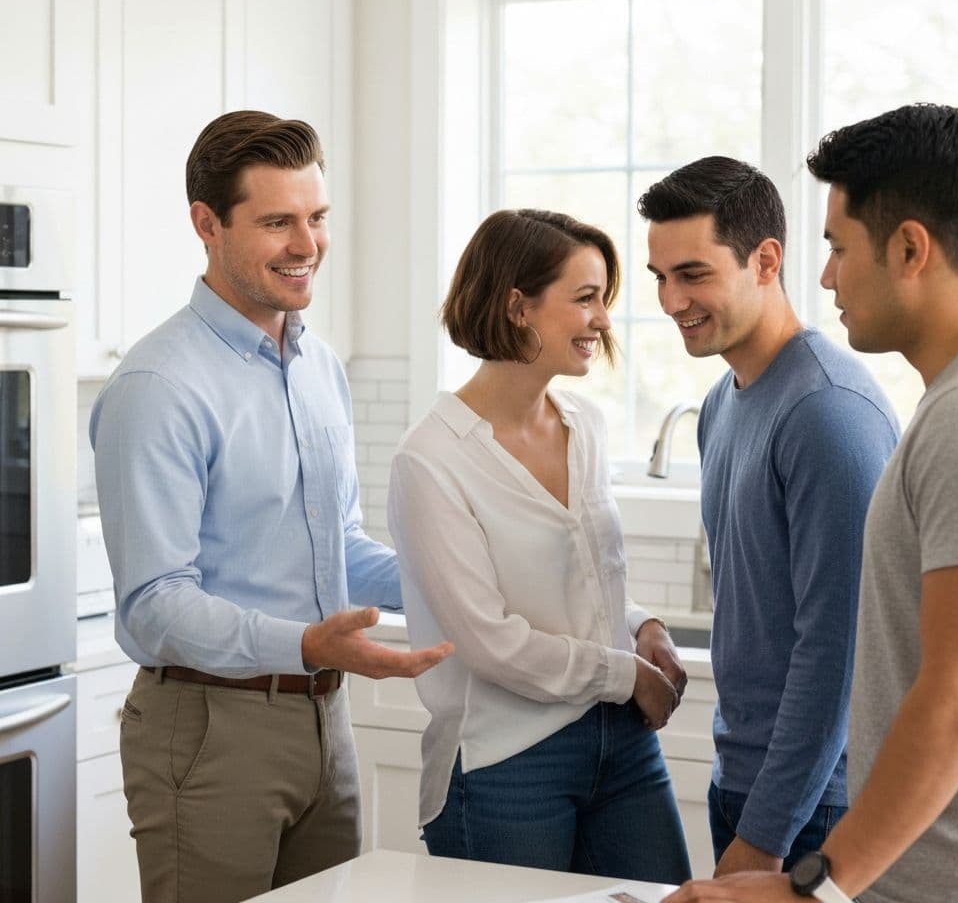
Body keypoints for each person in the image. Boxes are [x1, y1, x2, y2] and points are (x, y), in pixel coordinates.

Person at [90, 110, 452, 903]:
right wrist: (308, 643)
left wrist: (459, 585)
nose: (307, 244)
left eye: (317, 218)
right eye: (277, 222)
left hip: (327, 722)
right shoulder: (159, 388)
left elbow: (339, 550)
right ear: (206, 224)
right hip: (211, 728)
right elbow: (153, 605)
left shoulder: (318, 365)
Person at [664, 104, 958, 903]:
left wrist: (810, 888)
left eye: (836, 247)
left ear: (908, 249)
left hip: (949, 877)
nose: (825, 275)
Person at [386, 208, 692, 883]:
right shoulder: (431, 459)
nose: (604, 320)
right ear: (517, 306)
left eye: (604, 300)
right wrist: (628, 675)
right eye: (586, 298)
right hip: (506, 761)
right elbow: (490, 641)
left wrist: (644, 625)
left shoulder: (584, 425)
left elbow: (587, 578)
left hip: (621, 745)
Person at [639, 158, 899, 878]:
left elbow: (835, 655)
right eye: (660, 277)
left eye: (692, 274)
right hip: (747, 782)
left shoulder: (827, 413)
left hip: (817, 806)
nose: (670, 300)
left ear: (766, 260)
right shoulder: (723, 403)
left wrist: (765, 832)